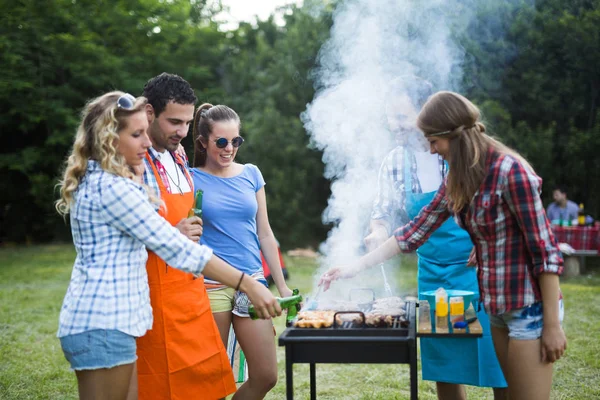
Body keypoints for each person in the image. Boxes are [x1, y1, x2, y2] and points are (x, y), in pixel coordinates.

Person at [322, 91, 566, 400]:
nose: (430, 149)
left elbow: (545, 251)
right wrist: (354, 267)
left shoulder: (510, 171)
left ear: (453, 134)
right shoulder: (458, 178)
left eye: (434, 142)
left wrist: (552, 325)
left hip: (528, 307)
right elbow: (414, 231)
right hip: (496, 307)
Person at [55, 91, 281, 400]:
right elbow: (178, 248)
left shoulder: (107, 180)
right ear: (109, 137)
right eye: (137, 134)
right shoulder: (112, 189)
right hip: (103, 321)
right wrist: (247, 283)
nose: (147, 143)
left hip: (111, 321)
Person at [364, 77, 507, 400]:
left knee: (497, 360)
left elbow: (497, 205)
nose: (393, 124)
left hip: (478, 271)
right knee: (446, 363)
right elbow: (383, 213)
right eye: (389, 117)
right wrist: (377, 232)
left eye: (401, 116)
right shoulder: (394, 162)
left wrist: (485, 241)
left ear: (425, 113)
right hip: (435, 277)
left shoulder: (462, 153)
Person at [135, 73, 238, 400]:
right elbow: (131, 230)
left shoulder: (178, 156)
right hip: (156, 298)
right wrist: (172, 232)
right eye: (174, 122)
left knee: (210, 388)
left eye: (187, 122)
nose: (182, 132)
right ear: (149, 113)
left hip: (193, 293)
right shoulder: (135, 161)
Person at [190, 103, 293, 399]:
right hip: (212, 285)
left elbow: (265, 232)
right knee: (212, 383)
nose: (229, 148)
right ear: (203, 142)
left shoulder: (251, 174)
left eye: (236, 141)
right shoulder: (190, 178)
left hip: (253, 282)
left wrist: (282, 286)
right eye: (221, 142)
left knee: (265, 376)